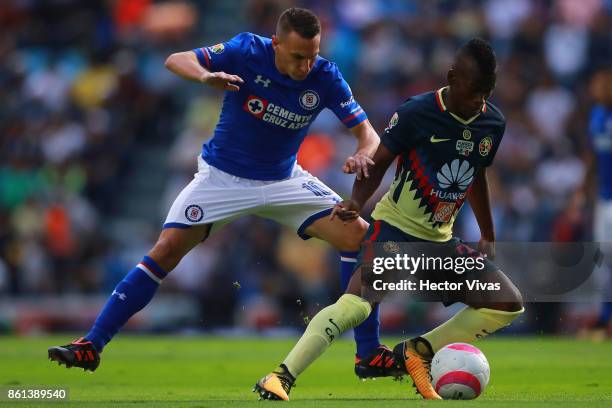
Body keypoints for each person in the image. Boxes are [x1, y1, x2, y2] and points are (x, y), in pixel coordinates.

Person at [47, 8, 392, 375]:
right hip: (222, 178)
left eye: (312, 55)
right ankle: (92, 344)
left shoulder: (325, 76)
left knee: (360, 237)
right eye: (297, 57)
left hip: (284, 180)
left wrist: (362, 153)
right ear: (276, 44)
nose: (306, 65)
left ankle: (367, 354)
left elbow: (368, 135)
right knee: (165, 250)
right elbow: (176, 59)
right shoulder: (246, 51)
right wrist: (205, 76)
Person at [254, 38, 524, 401]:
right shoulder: (418, 112)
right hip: (394, 231)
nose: (478, 101)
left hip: (440, 243)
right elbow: (377, 164)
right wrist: (356, 201)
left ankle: (418, 351)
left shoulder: (492, 122)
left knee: (506, 302)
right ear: (452, 77)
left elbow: (476, 175)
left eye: (485, 93)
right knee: (356, 304)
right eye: (473, 91)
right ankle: (281, 376)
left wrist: (488, 234)